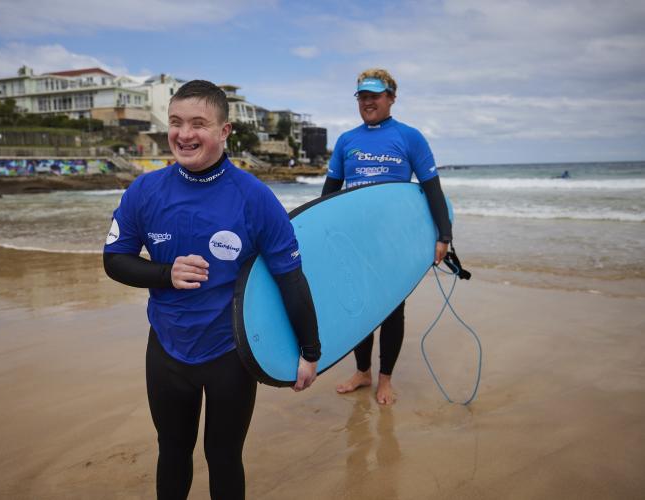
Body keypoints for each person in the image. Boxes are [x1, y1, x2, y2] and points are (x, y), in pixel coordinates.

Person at [103, 80, 320, 500]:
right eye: (176, 122)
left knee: (223, 456)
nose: (184, 134)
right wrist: (165, 274)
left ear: (224, 132)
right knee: (172, 451)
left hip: (230, 354)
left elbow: (289, 277)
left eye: (198, 124)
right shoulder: (145, 191)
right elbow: (114, 260)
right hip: (167, 348)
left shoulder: (255, 199)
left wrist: (309, 351)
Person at [322, 68, 453, 405]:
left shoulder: (410, 137)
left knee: (393, 310)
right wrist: (320, 232)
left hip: (392, 243)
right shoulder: (347, 141)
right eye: (362, 96)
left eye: (375, 95)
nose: (368, 101)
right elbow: (328, 194)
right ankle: (362, 372)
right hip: (353, 239)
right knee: (359, 308)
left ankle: (385, 380)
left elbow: (431, 190)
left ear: (391, 97)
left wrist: (444, 235)